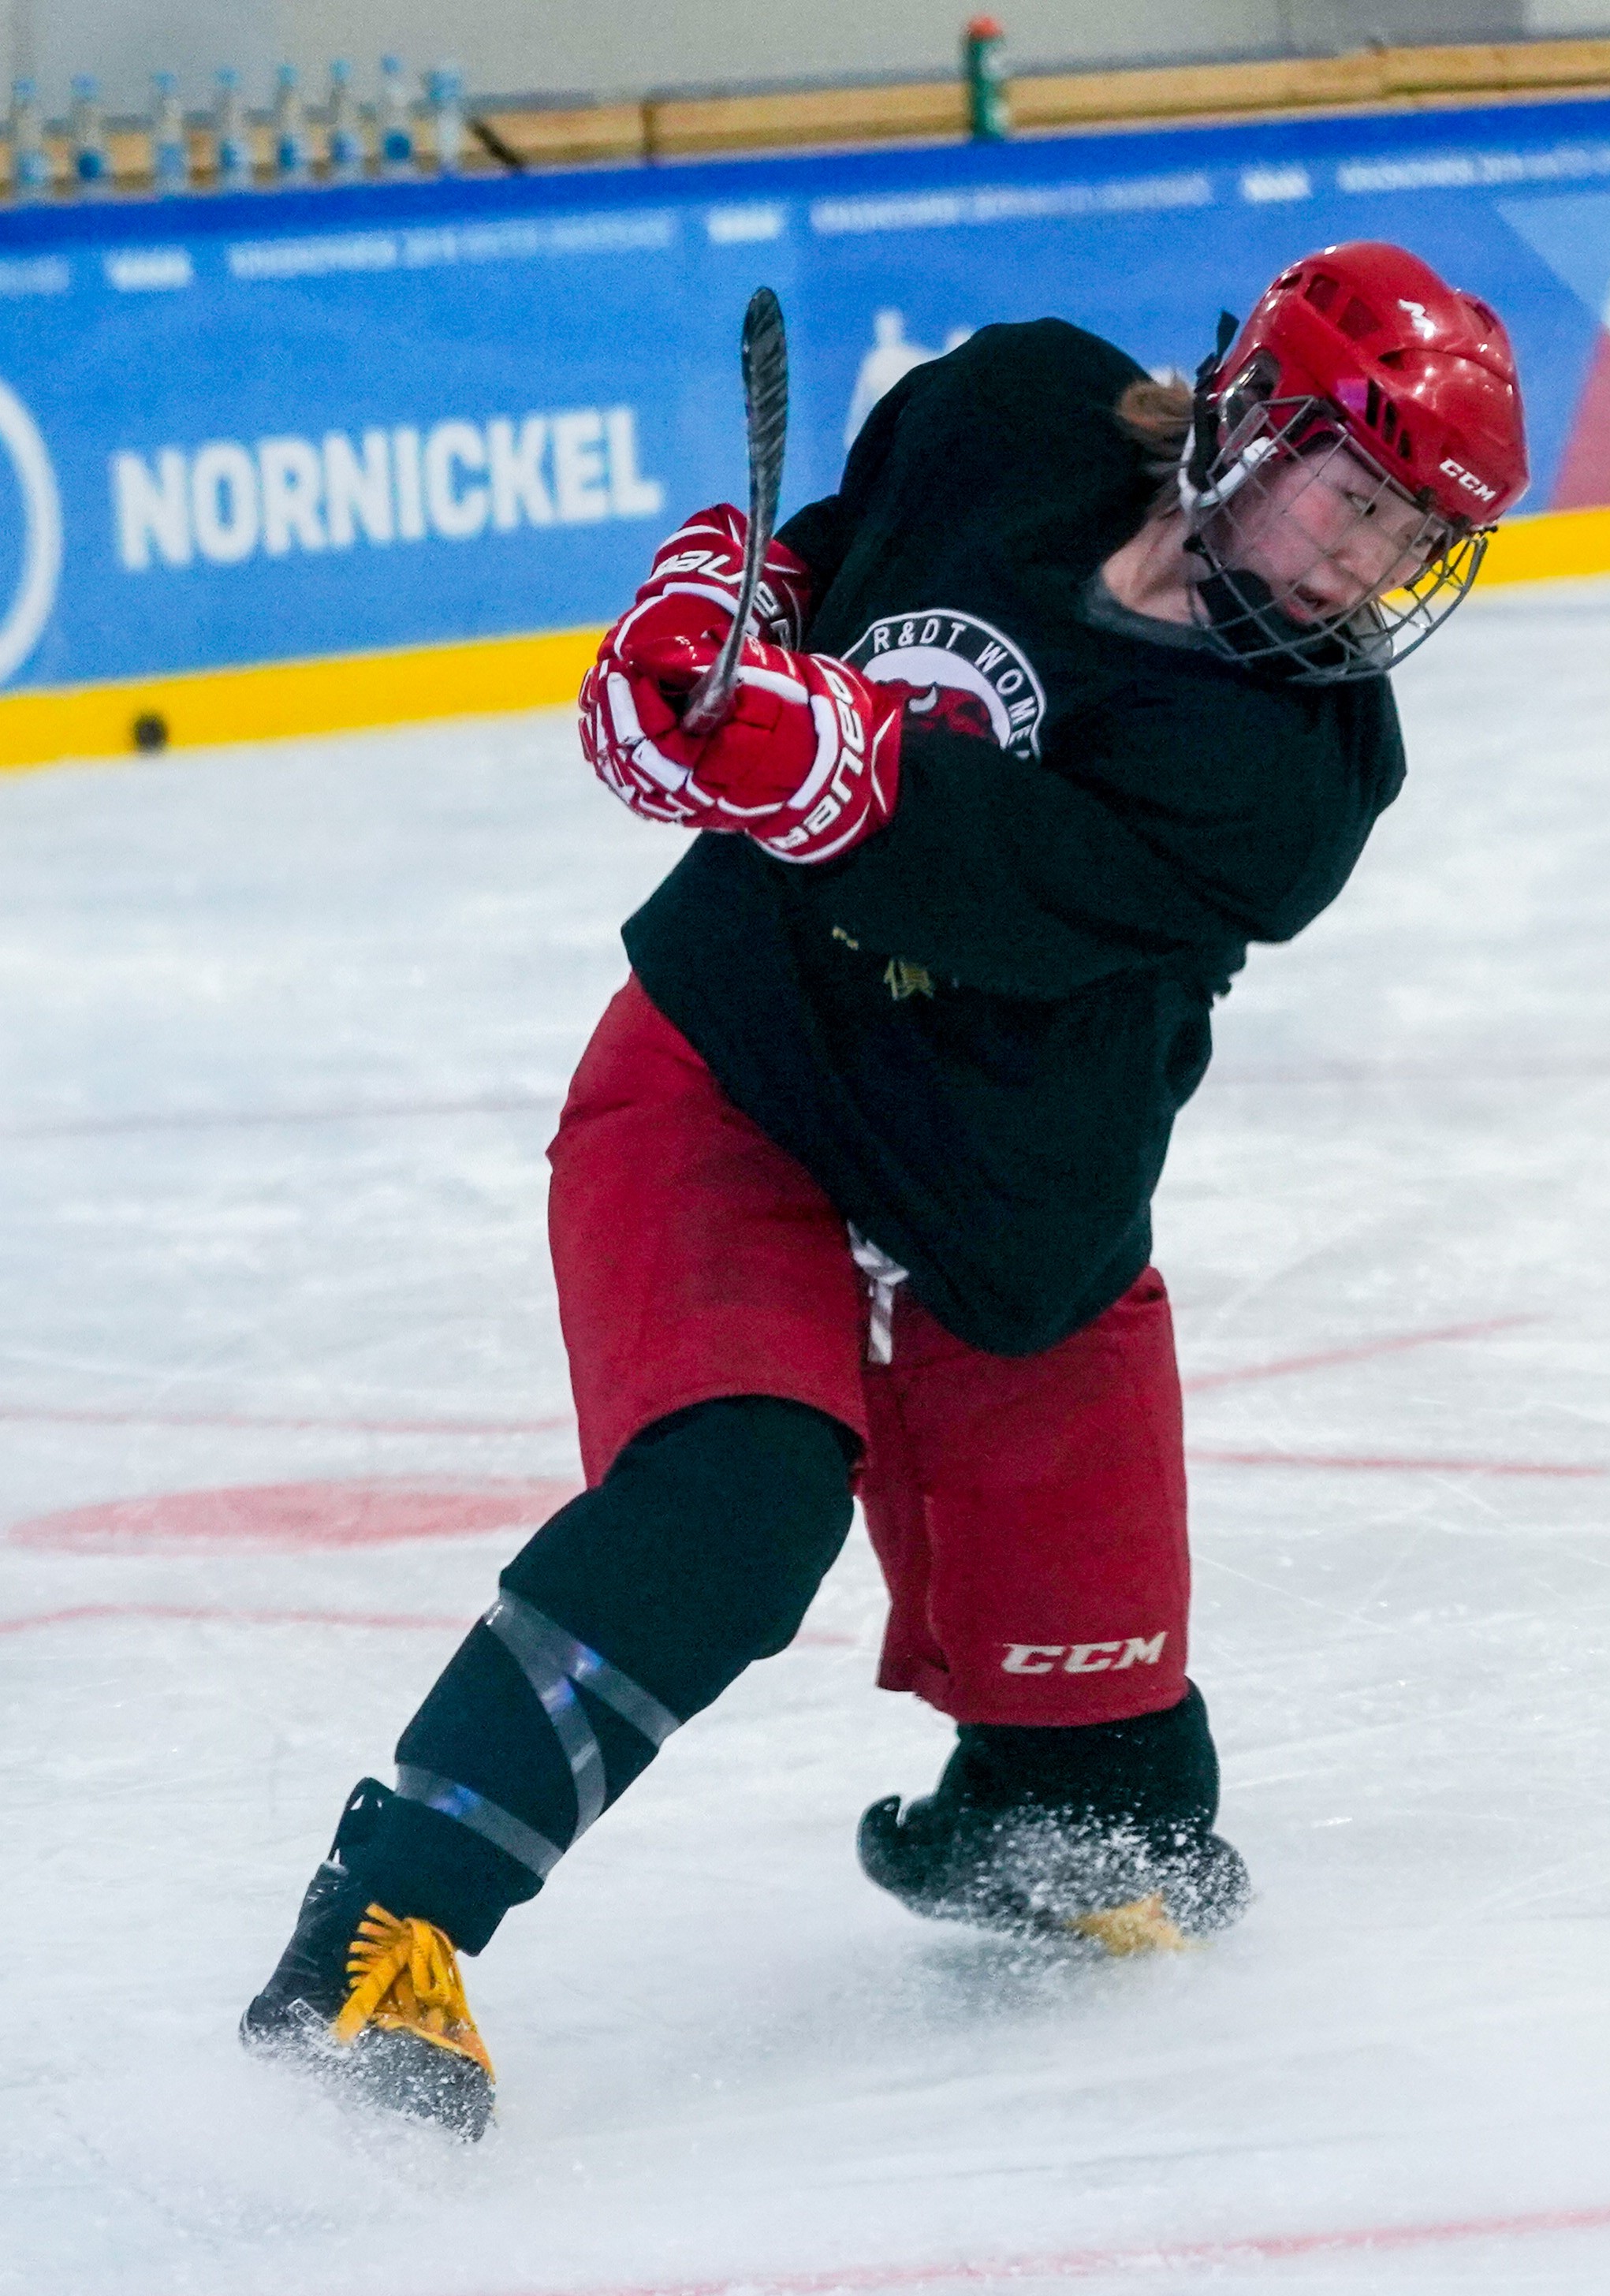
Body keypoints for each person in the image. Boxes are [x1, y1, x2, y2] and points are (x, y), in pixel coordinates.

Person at [237, 240, 1528, 2140]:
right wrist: (701, 618)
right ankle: (378, 1934)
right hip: (739, 1076)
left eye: (1410, 541)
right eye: (1358, 500)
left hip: (1010, 1206)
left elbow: (962, 871)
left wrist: (794, 748)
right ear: (1256, 407)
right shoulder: (1013, 405)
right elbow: (823, 564)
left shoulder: (1299, 771)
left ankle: (1016, 1805)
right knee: (734, 1501)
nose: (1364, 569)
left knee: (1122, 1818)